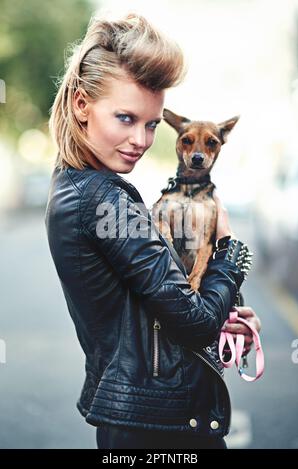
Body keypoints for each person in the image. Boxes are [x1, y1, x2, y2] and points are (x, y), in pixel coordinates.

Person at [45, 12, 261, 450]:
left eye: (150, 124)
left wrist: (223, 315)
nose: (142, 140)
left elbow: (157, 312)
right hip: (160, 430)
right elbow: (194, 323)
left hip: (145, 417)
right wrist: (229, 249)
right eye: (125, 118)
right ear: (80, 106)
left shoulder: (74, 186)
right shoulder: (103, 199)